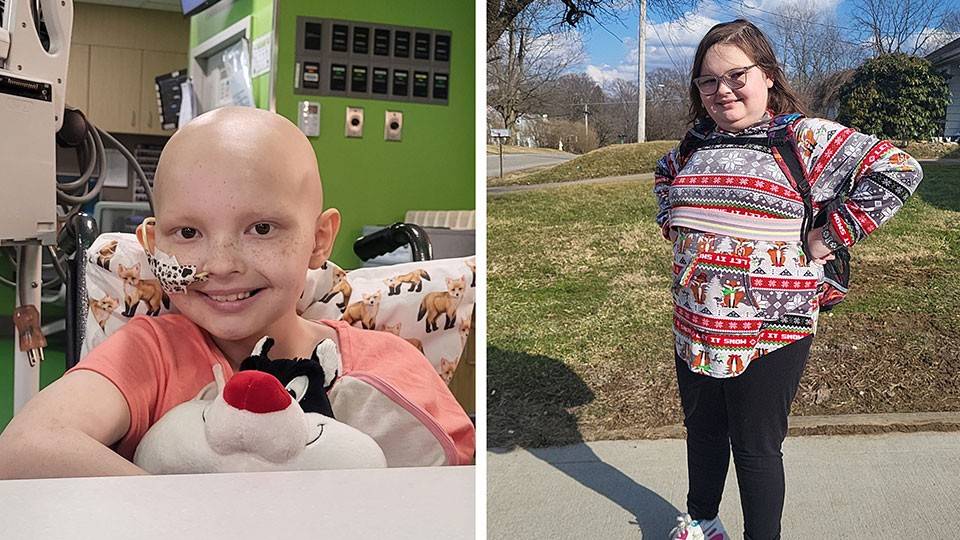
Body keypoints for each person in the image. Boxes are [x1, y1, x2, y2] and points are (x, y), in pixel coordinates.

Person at [0, 107, 474, 478]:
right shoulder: (150, 355)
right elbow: (25, 448)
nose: (221, 264)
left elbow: (459, 484)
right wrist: (200, 519)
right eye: (187, 233)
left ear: (319, 239)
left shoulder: (387, 367)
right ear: (152, 243)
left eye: (261, 228)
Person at [655, 20, 922, 540]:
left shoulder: (804, 138)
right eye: (707, 81)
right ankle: (703, 523)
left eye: (736, 75)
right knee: (704, 432)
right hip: (695, 318)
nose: (721, 90)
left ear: (768, 76)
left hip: (771, 329)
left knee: (755, 447)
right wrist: (674, 220)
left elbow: (898, 168)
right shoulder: (692, 146)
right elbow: (664, 176)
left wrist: (832, 234)